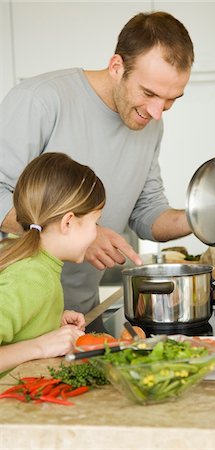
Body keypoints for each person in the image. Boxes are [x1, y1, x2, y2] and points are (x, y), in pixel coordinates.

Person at [0, 11, 194, 315]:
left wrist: (200, 219)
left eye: (171, 100)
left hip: (79, 314)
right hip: (16, 313)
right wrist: (77, 231)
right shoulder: (40, 100)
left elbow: (147, 212)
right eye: (149, 93)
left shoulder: (149, 121)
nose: (158, 112)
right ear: (117, 67)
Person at [0, 152, 106, 373]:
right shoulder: (31, 277)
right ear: (68, 222)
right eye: (95, 222)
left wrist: (47, 321)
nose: (96, 233)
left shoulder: (37, 265)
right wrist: (39, 346)